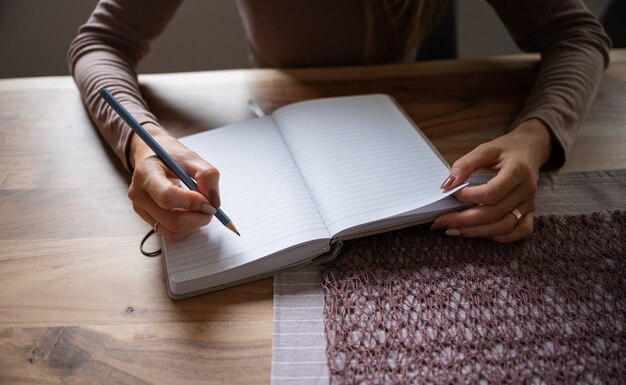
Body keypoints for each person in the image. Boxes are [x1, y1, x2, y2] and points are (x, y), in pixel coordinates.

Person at [68, 0, 611, 243]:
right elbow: (101, 44)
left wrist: (534, 136)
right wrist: (145, 143)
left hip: (429, 150)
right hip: (273, 127)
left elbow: (576, 35)